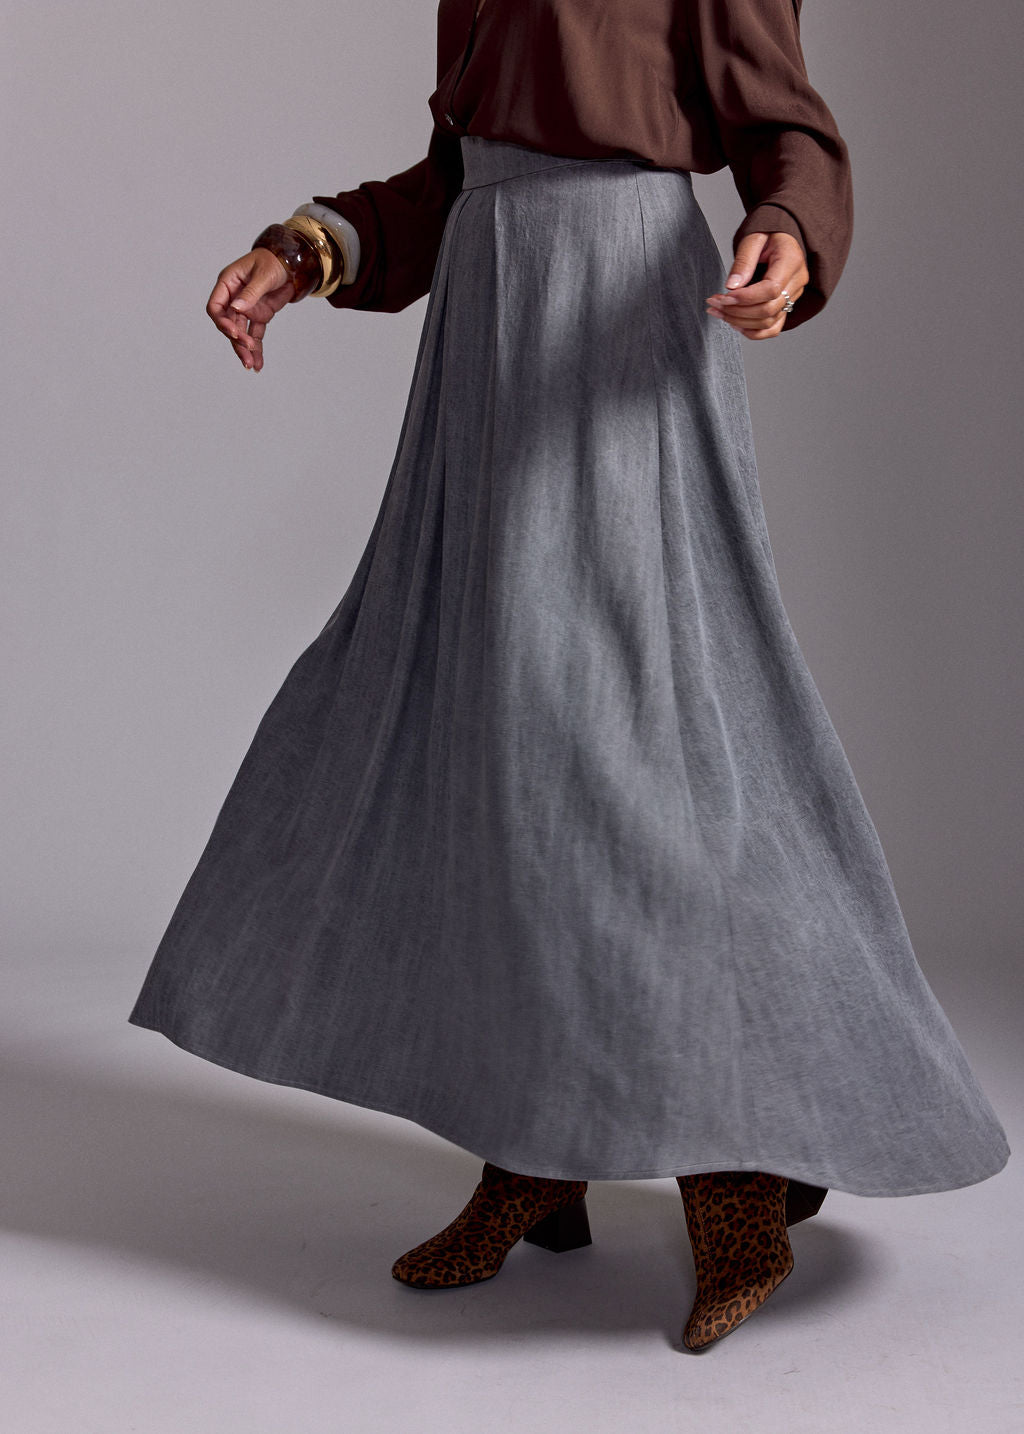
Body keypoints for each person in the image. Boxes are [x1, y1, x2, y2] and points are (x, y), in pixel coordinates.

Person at [128, 0, 1009, 1351]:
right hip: (488, 351)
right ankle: (536, 1144)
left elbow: (787, 131)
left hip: (618, 328)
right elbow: (460, 180)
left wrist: (786, 231)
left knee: (650, 757)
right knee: (500, 748)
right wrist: (306, 249)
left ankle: (737, 1173)